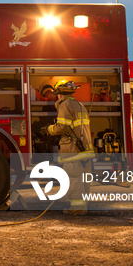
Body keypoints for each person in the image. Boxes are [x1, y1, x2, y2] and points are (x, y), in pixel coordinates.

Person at [45, 80, 95, 215]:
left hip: (72, 150)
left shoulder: (65, 105)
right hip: (85, 150)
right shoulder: (80, 105)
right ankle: (83, 207)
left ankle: (77, 209)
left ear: (59, 94)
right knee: (84, 180)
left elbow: (62, 127)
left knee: (73, 179)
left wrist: (49, 129)